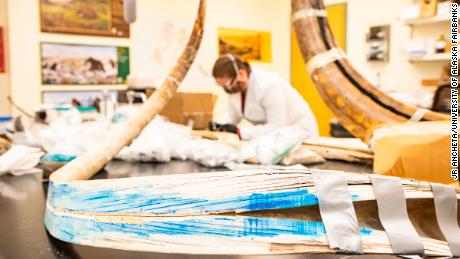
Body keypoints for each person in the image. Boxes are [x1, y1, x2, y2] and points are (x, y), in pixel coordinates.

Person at [209, 54, 319, 140]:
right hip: (277, 139)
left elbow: (277, 127)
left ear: (241, 74)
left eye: (227, 85)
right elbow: (232, 116)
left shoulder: (268, 86)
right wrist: (219, 125)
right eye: (221, 86)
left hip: (300, 134)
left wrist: (240, 132)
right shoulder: (237, 88)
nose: (227, 90)